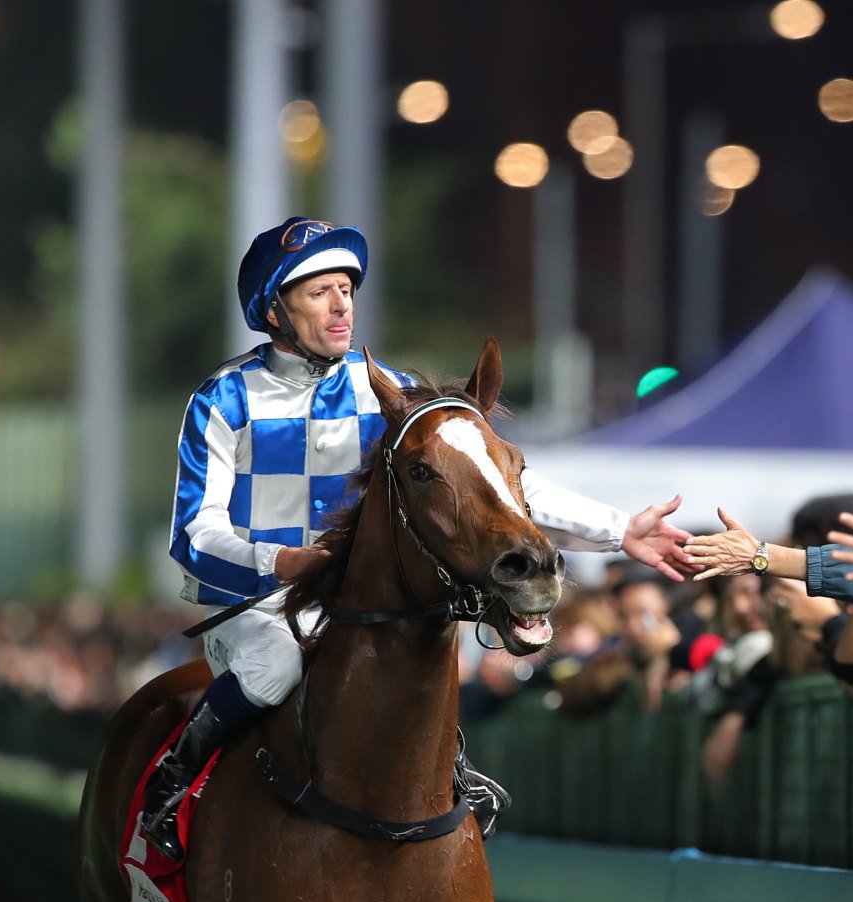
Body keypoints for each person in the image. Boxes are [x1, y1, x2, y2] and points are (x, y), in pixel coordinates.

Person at [137, 216, 695, 858]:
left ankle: (447, 774)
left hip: (358, 603)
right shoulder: (223, 399)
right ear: (274, 310)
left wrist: (621, 530)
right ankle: (177, 771)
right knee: (276, 663)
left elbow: (493, 489)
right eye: (318, 291)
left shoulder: (394, 395)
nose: (341, 302)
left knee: (424, 647)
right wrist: (280, 561)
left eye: (346, 286)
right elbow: (193, 534)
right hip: (258, 605)